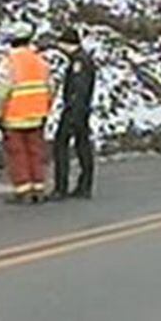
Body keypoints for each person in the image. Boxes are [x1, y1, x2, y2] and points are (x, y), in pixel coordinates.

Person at [0, 22, 53, 205]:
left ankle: (23, 190)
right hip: (37, 115)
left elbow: (1, 91)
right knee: (35, 152)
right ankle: (38, 188)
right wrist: (45, 108)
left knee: (18, 155)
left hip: (14, 116)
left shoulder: (9, 62)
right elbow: (50, 88)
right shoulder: (40, 61)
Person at [51, 27, 96, 200]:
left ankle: (61, 187)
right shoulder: (82, 59)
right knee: (82, 145)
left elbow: (79, 90)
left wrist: (72, 112)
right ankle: (84, 185)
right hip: (81, 110)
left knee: (61, 146)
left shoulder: (79, 62)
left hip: (75, 110)